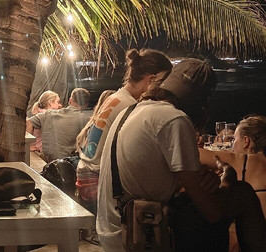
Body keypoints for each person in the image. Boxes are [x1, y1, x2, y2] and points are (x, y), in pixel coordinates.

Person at [97, 58, 266, 252]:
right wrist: (227, 177)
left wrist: (201, 179)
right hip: (138, 236)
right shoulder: (174, 119)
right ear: (201, 102)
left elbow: (154, 178)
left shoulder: (130, 111)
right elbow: (211, 212)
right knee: (242, 193)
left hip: (111, 230)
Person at [76, 49, 172, 214]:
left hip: (85, 175)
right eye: (164, 82)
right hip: (96, 184)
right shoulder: (130, 107)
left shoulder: (115, 98)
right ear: (151, 80)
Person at [199, 114, 266, 251]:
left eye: (234, 139)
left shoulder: (246, 161)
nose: (231, 145)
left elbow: (194, 155)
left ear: (246, 141)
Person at [27, 88, 90, 162]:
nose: (60, 105)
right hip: (67, 162)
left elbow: (29, 122)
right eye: (58, 102)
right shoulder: (86, 120)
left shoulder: (48, 114)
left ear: (70, 100)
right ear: (86, 105)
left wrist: (28, 145)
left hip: (47, 159)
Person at [27, 90, 62, 155]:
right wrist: (28, 146)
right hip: (39, 150)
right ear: (50, 102)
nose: (60, 105)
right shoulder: (46, 115)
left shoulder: (41, 113)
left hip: (37, 148)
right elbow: (29, 122)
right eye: (57, 102)